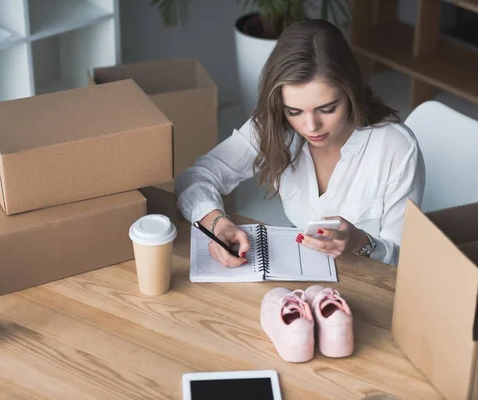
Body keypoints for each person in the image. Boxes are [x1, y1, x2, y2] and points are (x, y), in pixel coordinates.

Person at [175, 19, 425, 267]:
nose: (310, 127)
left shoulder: (395, 148)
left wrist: (360, 241)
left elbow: (400, 259)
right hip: (306, 276)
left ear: (351, 92)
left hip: (370, 284)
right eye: (294, 111)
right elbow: (195, 178)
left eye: (327, 109)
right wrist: (218, 223)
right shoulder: (274, 127)